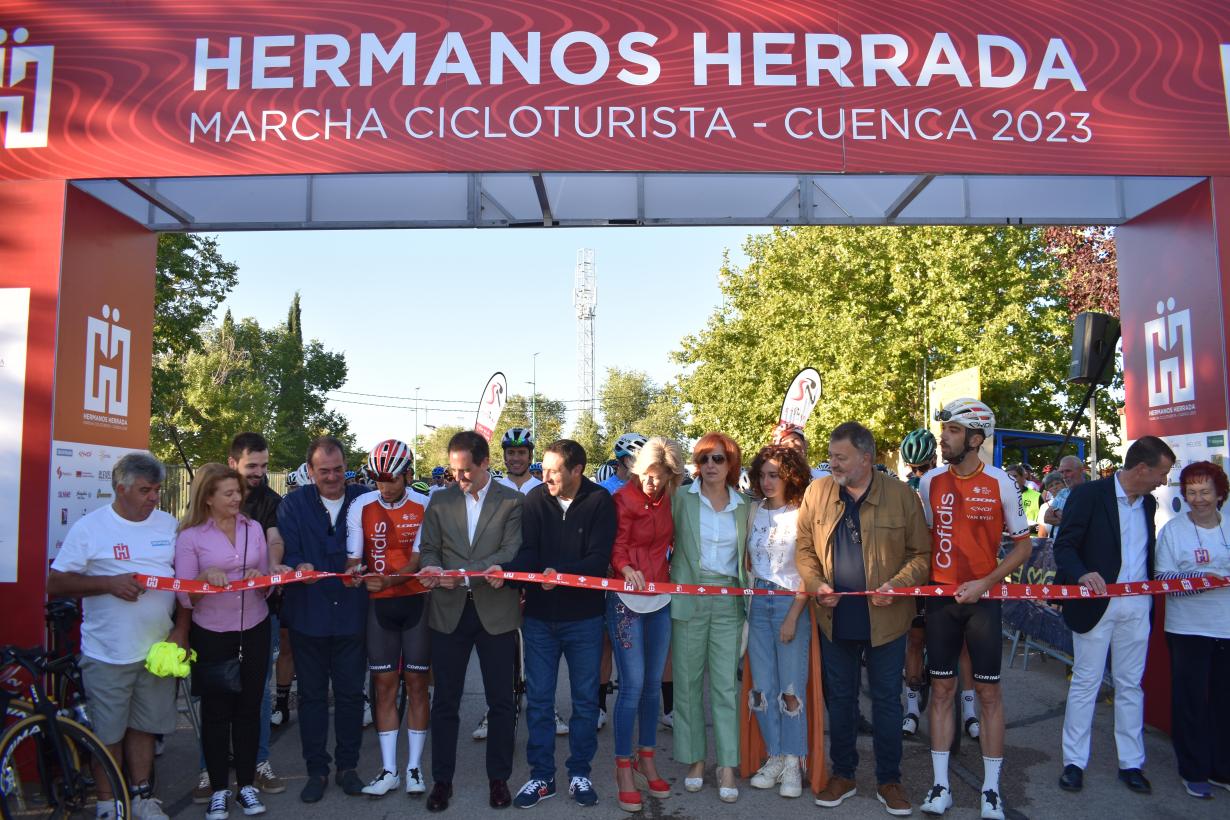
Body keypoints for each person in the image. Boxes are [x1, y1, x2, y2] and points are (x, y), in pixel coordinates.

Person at [797, 423, 930, 816]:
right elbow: (803, 549)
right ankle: (844, 774)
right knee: (840, 701)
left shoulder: (903, 497)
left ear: (866, 459)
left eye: (841, 457)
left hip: (887, 621)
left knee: (888, 702)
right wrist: (816, 583)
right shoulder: (817, 492)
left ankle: (890, 780)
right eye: (831, 455)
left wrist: (897, 584)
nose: (832, 463)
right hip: (833, 619)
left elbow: (921, 556)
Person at [46, 453, 179, 820]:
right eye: (145, 490)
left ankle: (141, 796)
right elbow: (55, 583)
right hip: (108, 652)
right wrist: (108, 583)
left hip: (156, 650)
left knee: (145, 728)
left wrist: (180, 632)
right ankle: (108, 803)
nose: (153, 497)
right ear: (120, 489)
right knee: (108, 733)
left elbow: (184, 582)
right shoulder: (91, 528)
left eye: (156, 489)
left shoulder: (169, 524)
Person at [917, 398, 1032, 819]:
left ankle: (991, 790)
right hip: (941, 601)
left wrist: (986, 582)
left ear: (975, 438)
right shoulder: (929, 481)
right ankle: (941, 785)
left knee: (988, 693)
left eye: (951, 430)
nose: (942, 437)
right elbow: (925, 541)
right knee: (943, 690)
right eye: (944, 429)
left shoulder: (1001, 481)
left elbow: (1024, 545)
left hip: (985, 602)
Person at [489, 440, 615, 809]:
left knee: (584, 702)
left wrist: (560, 574)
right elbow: (528, 551)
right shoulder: (535, 500)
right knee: (540, 703)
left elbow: (598, 560)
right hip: (540, 620)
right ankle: (541, 776)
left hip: (585, 620)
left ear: (577, 470)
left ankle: (580, 772)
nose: (545, 477)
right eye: (543, 468)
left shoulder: (599, 502)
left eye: (553, 470)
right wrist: (509, 574)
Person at [1054, 435, 1175, 797]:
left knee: (1130, 685)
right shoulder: (1090, 495)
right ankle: (1074, 763)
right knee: (1086, 683)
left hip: (1136, 607)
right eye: (1161, 473)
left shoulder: (1148, 503)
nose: (1164, 481)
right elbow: (1065, 544)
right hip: (1095, 604)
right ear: (1141, 468)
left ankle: (1131, 764)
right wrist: (1081, 573)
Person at [418, 431, 525, 812]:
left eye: (465, 471)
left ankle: (499, 779)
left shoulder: (512, 501)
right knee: (445, 701)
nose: (458, 478)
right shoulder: (439, 500)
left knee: (501, 702)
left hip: (496, 612)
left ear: (484, 464)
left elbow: (509, 551)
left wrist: (461, 573)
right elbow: (429, 547)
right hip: (447, 612)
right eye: (453, 470)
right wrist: (430, 566)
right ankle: (441, 781)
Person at [175, 463, 277, 820]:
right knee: (217, 713)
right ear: (208, 498)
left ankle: (246, 786)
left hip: (255, 628)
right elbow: (186, 596)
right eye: (229, 493)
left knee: (249, 709)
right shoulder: (190, 537)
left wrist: (260, 577)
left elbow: (268, 585)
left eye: (239, 492)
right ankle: (220, 788)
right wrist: (204, 578)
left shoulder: (254, 529)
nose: (237, 498)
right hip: (213, 634)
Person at [277, 436, 372, 803]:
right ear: (311, 471)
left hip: (352, 616)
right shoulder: (293, 504)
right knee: (312, 698)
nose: (332, 477)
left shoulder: (364, 499)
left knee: (350, 696)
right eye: (323, 471)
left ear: (345, 467)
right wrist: (298, 563)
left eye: (337, 470)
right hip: (308, 616)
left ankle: (348, 767)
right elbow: (289, 546)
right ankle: (316, 769)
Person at [345, 440, 433, 797]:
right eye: (377, 478)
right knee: (383, 687)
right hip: (379, 606)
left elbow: (417, 560)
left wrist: (390, 580)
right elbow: (353, 561)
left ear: (408, 474)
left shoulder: (426, 504)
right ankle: (388, 770)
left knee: (416, 685)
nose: (383, 486)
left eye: (391, 478)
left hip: (416, 602)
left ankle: (414, 769)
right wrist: (356, 574)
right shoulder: (360, 505)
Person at [606, 436, 684, 812]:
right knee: (633, 685)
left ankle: (646, 758)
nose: (651, 483)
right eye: (648, 475)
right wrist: (625, 567)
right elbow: (616, 544)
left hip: (661, 596)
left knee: (654, 684)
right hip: (625, 598)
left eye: (660, 477)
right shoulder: (621, 499)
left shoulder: (671, 499)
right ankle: (623, 766)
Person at [671, 432, 748, 803]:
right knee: (686, 683)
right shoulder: (681, 500)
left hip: (729, 600)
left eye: (718, 459)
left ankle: (728, 765)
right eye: (704, 460)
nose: (711, 466)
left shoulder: (745, 505)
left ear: (731, 463)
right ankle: (695, 760)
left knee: (725, 687)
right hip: (688, 597)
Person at [1154, 460, 1230, 798]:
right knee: (1191, 703)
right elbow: (1163, 579)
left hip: (1226, 629)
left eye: (1205, 492)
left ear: (1219, 494)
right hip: (1188, 630)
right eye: (1191, 492)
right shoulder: (1174, 531)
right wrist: (1202, 581)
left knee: (1224, 703)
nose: (1198, 499)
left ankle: (1222, 769)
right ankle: (1193, 769)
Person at [743, 445, 813, 799]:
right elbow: (745, 562)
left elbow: (811, 570)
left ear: (790, 477)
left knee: (790, 692)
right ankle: (774, 756)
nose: (767, 482)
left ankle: (793, 762)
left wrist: (794, 615)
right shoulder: (752, 511)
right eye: (763, 475)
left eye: (775, 475)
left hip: (790, 603)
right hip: (757, 603)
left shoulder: (801, 513)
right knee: (762, 690)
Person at [227, 433, 287, 797]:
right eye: (252, 466)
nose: (259, 473)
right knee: (216, 693)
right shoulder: (212, 494)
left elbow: (275, 538)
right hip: (214, 616)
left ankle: (259, 762)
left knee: (257, 691)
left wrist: (274, 566)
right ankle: (210, 768)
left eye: (264, 467)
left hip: (262, 611)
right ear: (233, 462)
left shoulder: (270, 500)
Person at [498, 427, 544, 495]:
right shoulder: (493, 490)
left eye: (522, 452)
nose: (516, 458)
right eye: (511, 453)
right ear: (504, 456)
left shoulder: (544, 491)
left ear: (530, 456)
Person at [1036, 473, 1067, 539]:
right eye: (1051, 486)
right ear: (1048, 490)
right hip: (1053, 545)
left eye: (1057, 483)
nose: (1055, 487)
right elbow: (1042, 535)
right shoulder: (1044, 507)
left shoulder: (1072, 500)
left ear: (1064, 484)